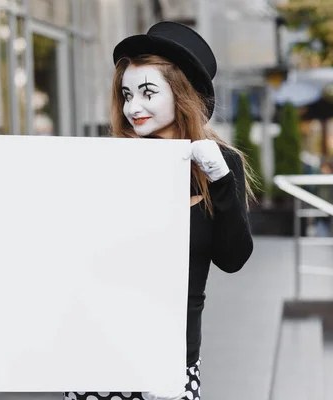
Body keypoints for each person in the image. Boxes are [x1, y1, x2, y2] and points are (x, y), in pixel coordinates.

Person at [63, 21, 254, 400]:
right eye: (126, 94)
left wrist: (218, 180)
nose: (133, 107)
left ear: (181, 93)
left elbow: (233, 257)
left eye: (148, 92)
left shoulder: (220, 162)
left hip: (174, 358)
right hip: (101, 351)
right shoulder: (111, 162)